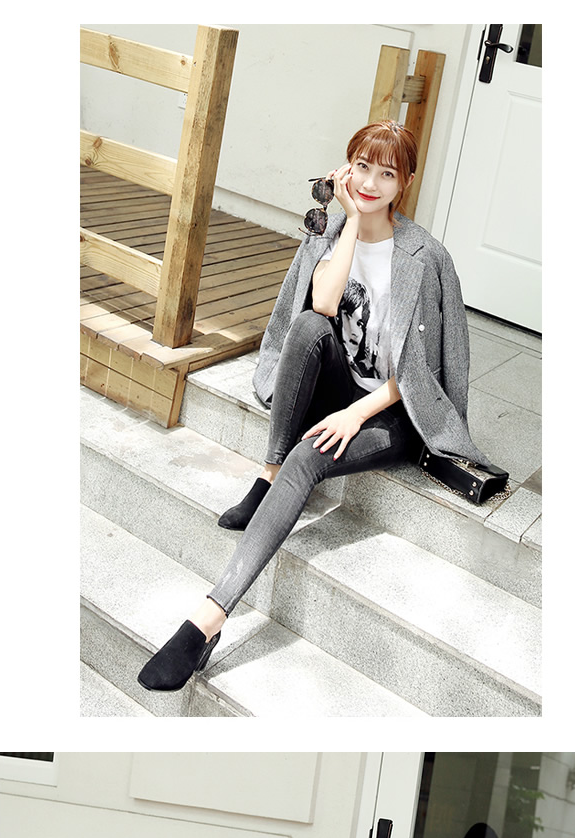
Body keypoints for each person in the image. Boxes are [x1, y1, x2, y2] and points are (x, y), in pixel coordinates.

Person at [136, 120, 489, 693]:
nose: (371, 183)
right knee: (306, 326)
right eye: (362, 167)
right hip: (342, 385)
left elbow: (420, 374)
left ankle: (207, 620)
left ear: (406, 182)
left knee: (310, 457)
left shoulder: (425, 256)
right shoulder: (330, 231)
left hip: (393, 411)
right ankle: (268, 473)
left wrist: (355, 415)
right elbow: (322, 304)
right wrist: (349, 221)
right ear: (347, 168)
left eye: (387, 173)